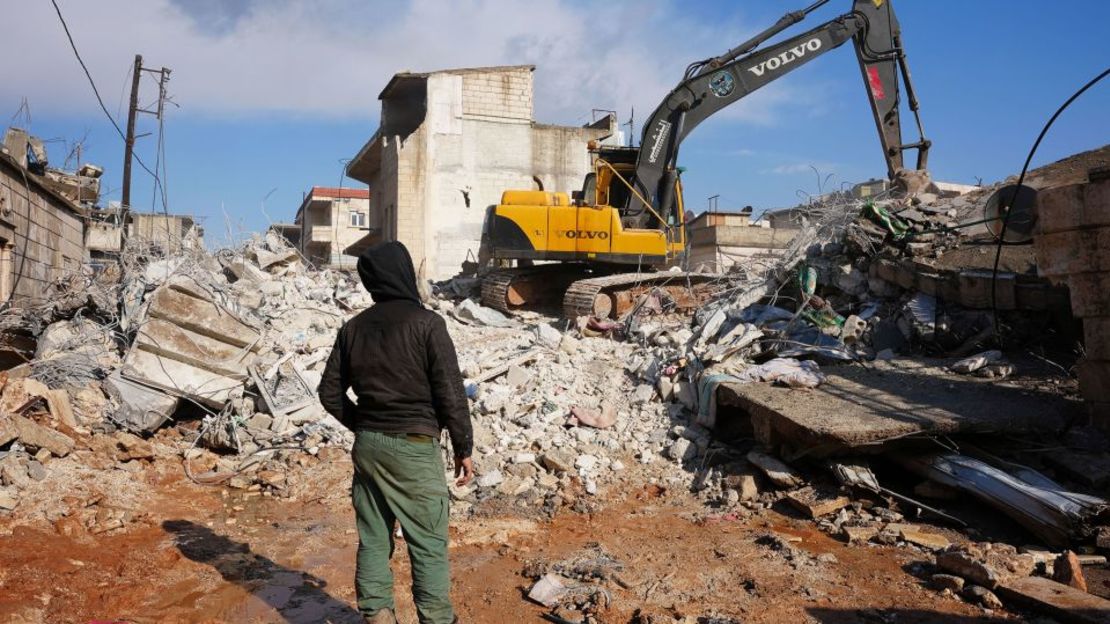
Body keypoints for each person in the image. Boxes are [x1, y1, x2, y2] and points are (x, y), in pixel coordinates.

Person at [319, 241, 473, 624]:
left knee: (373, 538)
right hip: (415, 448)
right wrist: (463, 448)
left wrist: (364, 425)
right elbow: (451, 392)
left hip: (369, 448)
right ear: (404, 273)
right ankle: (436, 619)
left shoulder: (352, 328)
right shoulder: (427, 324)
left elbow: (328, 392)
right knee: (428, 544)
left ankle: (377, 616)